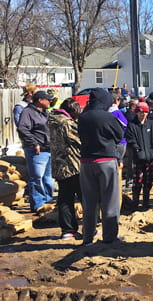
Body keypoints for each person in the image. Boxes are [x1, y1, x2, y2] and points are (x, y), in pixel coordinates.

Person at [78, 88, 124, 245]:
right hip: (106, 160)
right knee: (109, 201)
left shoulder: (82, 117)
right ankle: (109, 238)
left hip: (86, 162)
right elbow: (119, 135)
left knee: (89, 202)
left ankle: (87, 237)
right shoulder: (107, 117)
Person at [47, 98, 82, 239]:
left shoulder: (52, 121)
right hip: (73, 165)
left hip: (58, 165)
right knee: (84, 197)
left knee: (64, 199)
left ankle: (67, 230)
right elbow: (79, 140)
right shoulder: (67, 123)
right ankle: (90, 229)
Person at [17, 90, 54, 212]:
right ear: (40, 100)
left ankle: (48, 201)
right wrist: (34, 143)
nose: (50, 102)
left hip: (48, 149)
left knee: (48, 178)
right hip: (37, 151)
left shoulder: (45, 113)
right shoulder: (28, 112)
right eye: (47, 99)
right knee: (37, 177)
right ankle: (38, 204)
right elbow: (22, 128)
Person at [125, 102, 153, 210]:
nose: (142, 114)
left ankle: (146, 202)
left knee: (148, 181)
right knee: (137, 182)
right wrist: (137, 149)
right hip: (138, 158)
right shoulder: (132, 125)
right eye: (140, 112)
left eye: (145, 112)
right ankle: (135, 203)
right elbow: (130, 139)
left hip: (150, 157)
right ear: (136, 112)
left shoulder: (151, 124)